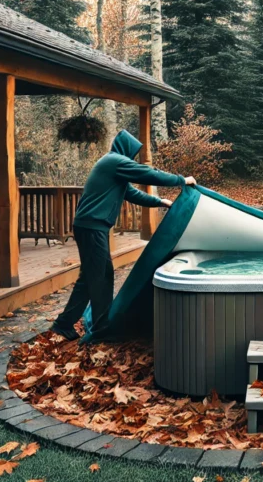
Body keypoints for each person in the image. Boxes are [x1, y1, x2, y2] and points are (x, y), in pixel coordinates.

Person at [50, 129, 195, 340]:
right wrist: (181, 180)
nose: (133, 158)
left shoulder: (113, 166)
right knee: (102, 275)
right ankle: (101, 328)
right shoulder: (115, 161)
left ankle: (63, 323)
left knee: (90, 278)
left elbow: (131, 193)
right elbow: (149, 174)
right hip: (91, 227)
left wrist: (159, 201)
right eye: (133, 153)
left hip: (90, 226)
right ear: (126, 149)